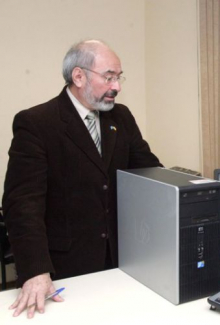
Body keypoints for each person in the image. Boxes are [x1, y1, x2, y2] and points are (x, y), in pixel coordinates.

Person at [2, 40, 162, 318]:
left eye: (119, 77)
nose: (117, 86)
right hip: (64, 267)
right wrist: (36, 270)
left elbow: (149, 172)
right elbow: (22, 204)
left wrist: (195, 195)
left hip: (121, 261)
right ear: (79, 76)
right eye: (109, 77)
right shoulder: (37, 123)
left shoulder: (121, 117)